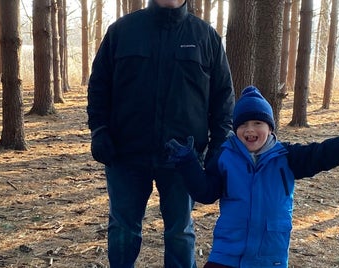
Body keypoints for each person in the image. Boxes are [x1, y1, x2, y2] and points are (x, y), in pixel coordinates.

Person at [86, 0, 235, 266]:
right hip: (125, 154)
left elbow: (223, 99)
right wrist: (99, 130)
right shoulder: (122, 31)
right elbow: (99, 85)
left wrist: (219, 146)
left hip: (183, 159)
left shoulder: (205, 36)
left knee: (180, 232)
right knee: (123, 228)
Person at [165, 86, 339, 268]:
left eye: (257, 123)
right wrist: (187, 163)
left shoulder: (286, 157)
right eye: (243, 125)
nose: (250, 130)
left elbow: (321, 154)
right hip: (227, 255)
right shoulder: (225, 157)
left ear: (270, 128)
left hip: (269, 257)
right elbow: (205, 192)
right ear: (236, 129)